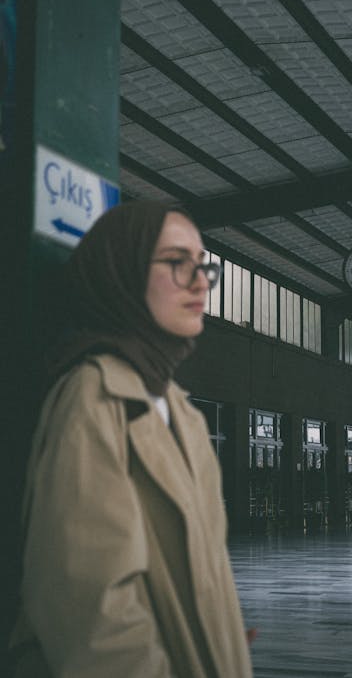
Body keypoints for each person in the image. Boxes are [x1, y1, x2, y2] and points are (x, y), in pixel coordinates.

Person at [10, 200, 254, 677]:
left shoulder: (181, 409)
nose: (201, 281)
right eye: (176, 263)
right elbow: (94, 614)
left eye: (203, 266)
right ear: (120, 272)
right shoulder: (93, 396)